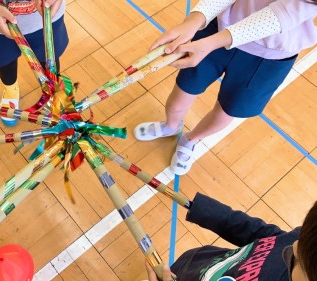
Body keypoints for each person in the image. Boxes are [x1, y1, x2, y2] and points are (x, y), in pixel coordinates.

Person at [134, 0, 317, 175]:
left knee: (227, 111)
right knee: (181, 93)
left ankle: (191, 139)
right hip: (221, 26)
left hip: (271, 56)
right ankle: (171, 125)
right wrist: (195, 19)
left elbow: (282, 15)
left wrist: (211, 42)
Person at [145, 193, 317, 281]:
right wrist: (209, 212)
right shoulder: (303, 244)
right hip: (197, 263)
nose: (293, 246)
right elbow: (265, 236)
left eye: (298, 260)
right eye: (300, 238)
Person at [0, 0, 69, 126]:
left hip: (46, 16)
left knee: (49, 58)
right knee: (3, 59)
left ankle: (52, 90)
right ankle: (11, 89)